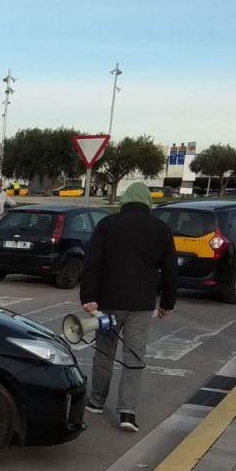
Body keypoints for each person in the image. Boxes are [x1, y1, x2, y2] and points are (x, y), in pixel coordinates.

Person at [79, 182, 178, 433]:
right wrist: (167, 303)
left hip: (108, 302)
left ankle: (97, 401)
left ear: (124, 200)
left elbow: (92, 263)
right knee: (134, 355)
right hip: (141, 305)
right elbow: (169, 270)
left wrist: (88, 297)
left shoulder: (107, 225)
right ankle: (127, 412)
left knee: (105, 353)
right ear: (147, 202)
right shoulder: (161, 229)